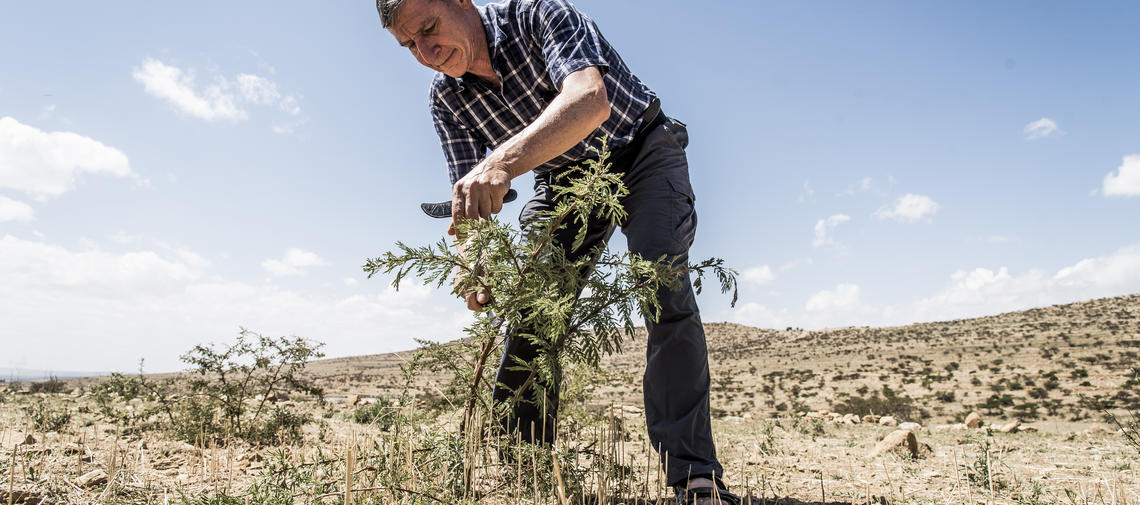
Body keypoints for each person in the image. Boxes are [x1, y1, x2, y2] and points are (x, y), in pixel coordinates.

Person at [377, 0, 738, 503]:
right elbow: (469, 198)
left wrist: (501, 160)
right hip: (561, 182)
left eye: (430, 27)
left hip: (641, 151)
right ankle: (525, 476)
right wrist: (474, 263)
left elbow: (590, 100)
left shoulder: (539, 13)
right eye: (409, 45)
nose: (426, 51)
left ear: (462, 2)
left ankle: (695, 476)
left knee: (663, 291)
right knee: (532, 312)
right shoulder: (447, 101)